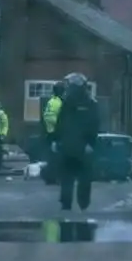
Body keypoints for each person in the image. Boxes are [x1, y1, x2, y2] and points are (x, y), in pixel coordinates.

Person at [52, 72, 100, 211]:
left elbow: (94, 125)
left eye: (70, 85)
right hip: (69, 145)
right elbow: (60, 123)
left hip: (81, 147)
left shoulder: (89, 103)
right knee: (68, 176)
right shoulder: (67, 102)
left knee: (82, 177)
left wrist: (90, 143)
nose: (67, 88)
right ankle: (68, 203)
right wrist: (56, 140)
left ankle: (82, 203)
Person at [41, 81, 65, 183]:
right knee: (58, 158)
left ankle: (50, 178)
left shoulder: (51, 101)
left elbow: (47, 117)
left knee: (51, 157)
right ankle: (56, 178)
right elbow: (61, 119)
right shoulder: (59, 103)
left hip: (50, 132)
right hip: (57, 133)